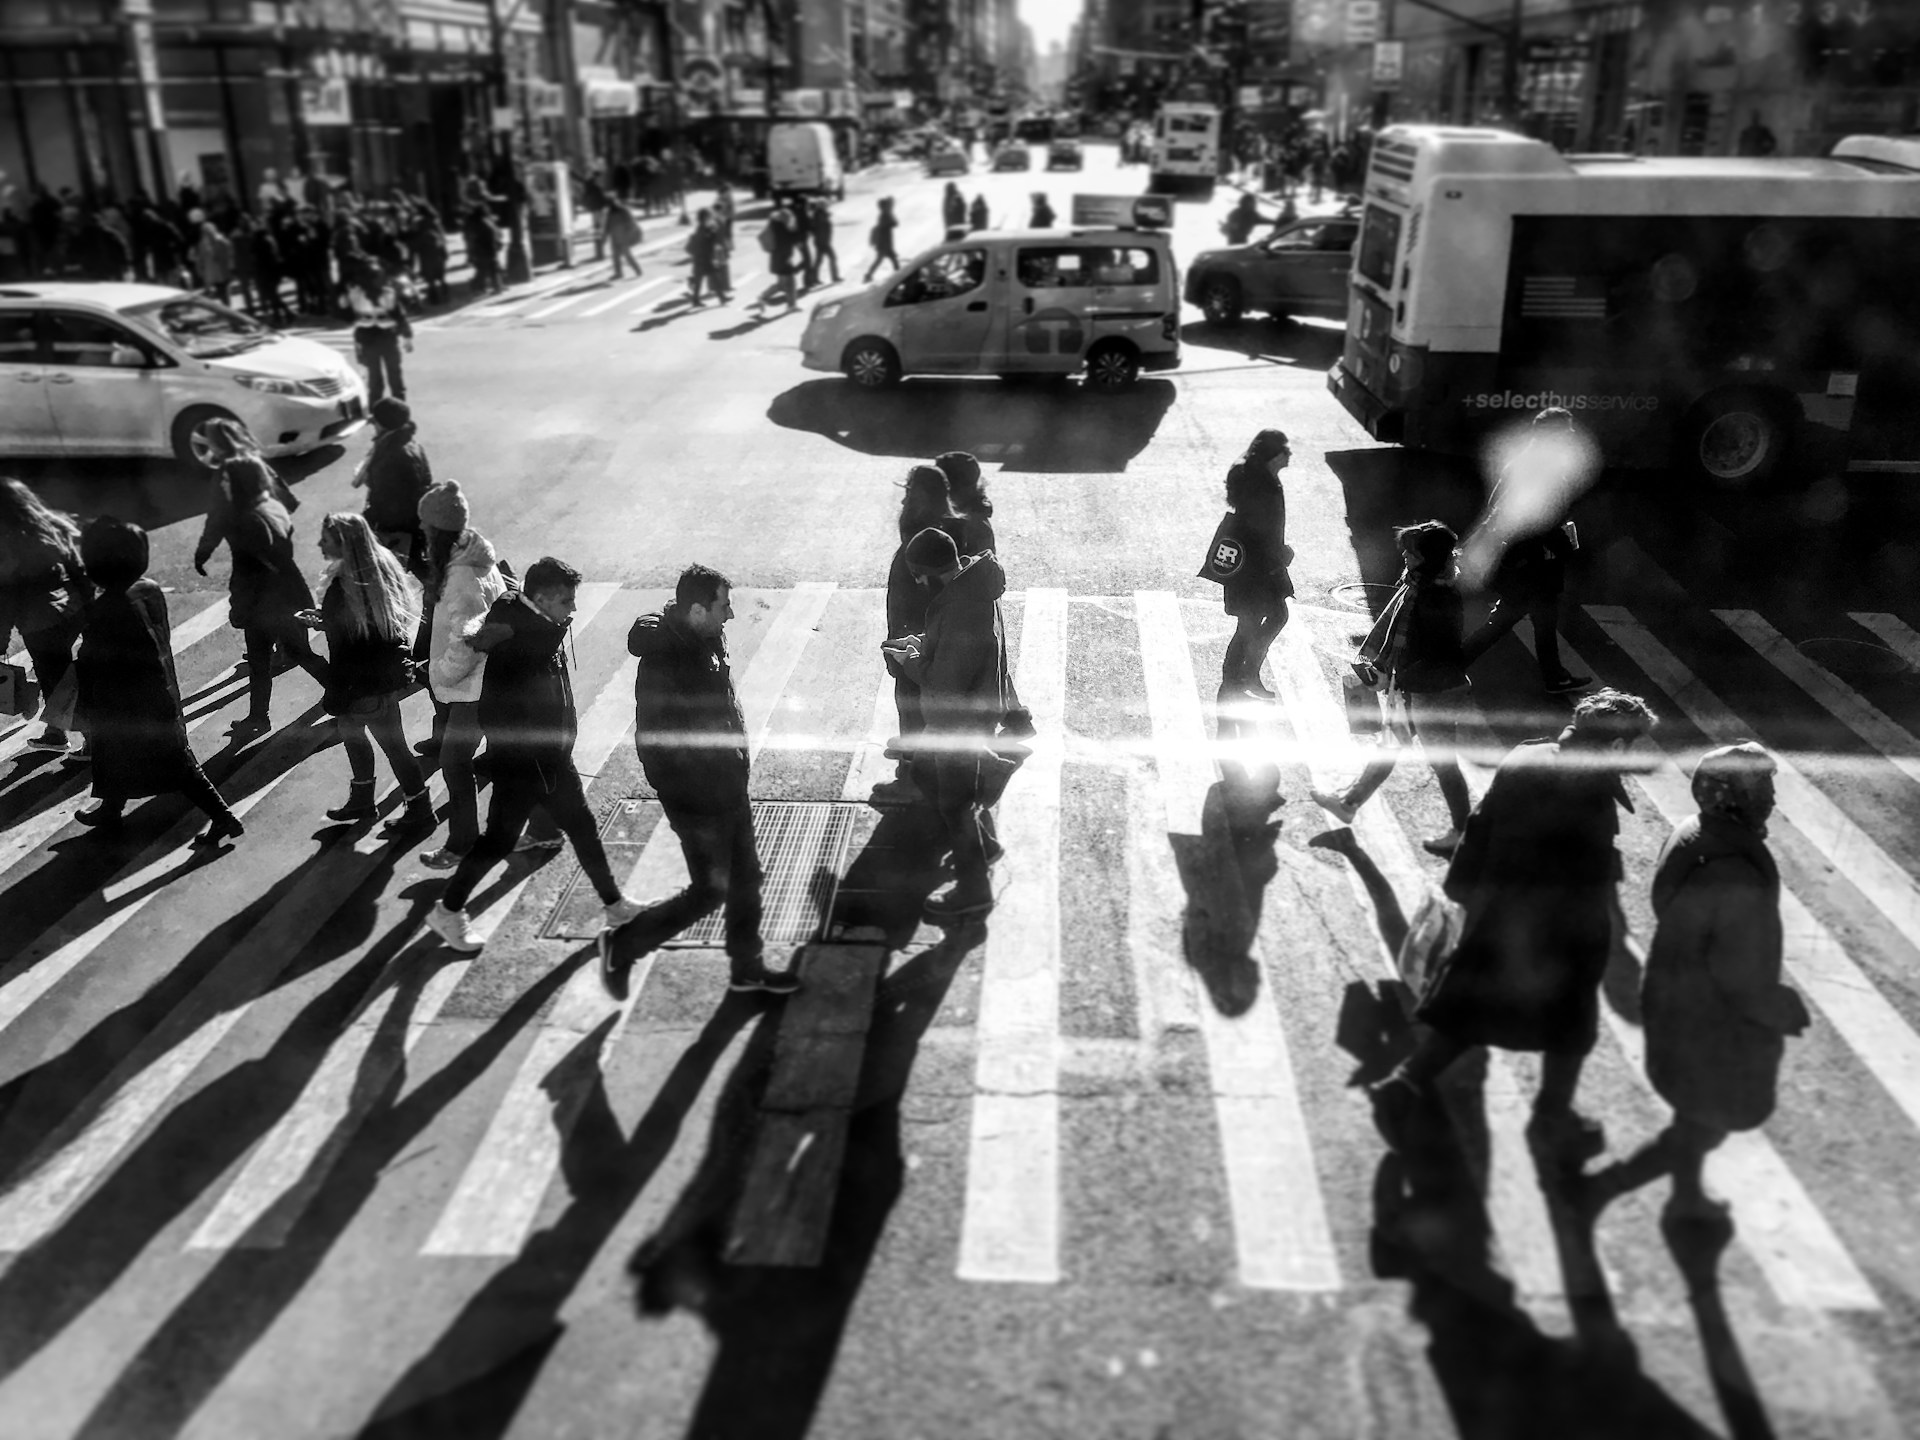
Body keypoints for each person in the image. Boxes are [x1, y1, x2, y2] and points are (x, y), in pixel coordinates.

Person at [1369, 689, 1660, 1159]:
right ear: (1616, 746)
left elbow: (1478, 831)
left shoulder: (1528, 755)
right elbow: (1583, 880)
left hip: (1496, 915)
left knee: (1467, 1012)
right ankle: (1551, 1119)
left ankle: (1404, 1084)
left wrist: (1462, 899)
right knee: (1571, 1027)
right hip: (1552, 937)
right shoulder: (1586, 790)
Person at [1579, 742, 1810, 1228]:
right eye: (1763, 788)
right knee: (1704, 1125)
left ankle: (1684, 1197)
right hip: (1710, 1020)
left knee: (1695, 1116)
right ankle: (1600, 1191)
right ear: (1731, 797)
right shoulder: (1732, 872)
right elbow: (1740, 973)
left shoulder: (1693, 834)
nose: (1771, 798)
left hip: (1677, 995)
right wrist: (1779, 1007)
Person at [426, 557, 646, 953]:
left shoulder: (530, 625)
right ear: (541, 599)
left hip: (550, 759)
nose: (573, 610)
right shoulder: (521, 642)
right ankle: (447, 910)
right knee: (498, 841)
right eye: (565, 602)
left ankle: (614, 905)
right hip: (527, 765)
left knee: (581, 829)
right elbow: (502, 704)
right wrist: (528, 758)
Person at [611, 564, 797, 1000]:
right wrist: (689, 791)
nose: (730, 614)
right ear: (697, 609)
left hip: (726, 781)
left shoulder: (704, 637)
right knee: (711, 891)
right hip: (695, 795)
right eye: (724, 605)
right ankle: (623, 944)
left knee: (747, 877)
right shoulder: (665, 660)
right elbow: (655, 741)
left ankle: (747, 967)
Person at [72, 517, 245, 846]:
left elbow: (96, 659)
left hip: (128, 703)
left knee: (175, 766)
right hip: (156, 692)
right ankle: (110, 808)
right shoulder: (147, 589)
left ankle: (224, 817)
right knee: (114, 756)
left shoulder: (107, 607)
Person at [1310, 521, 1473, 854]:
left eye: (1410, 551)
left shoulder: (1436, 597)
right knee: (1389, 747)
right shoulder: (1416, 587)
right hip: (1413, 688)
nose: (1404, 555)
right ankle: (1350, 803)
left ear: (1425, 558)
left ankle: (1464, 831)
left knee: (1443, 764)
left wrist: (1395, 678)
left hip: (1433, 694)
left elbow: (1441, 656)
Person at [883, 528, 1012, 921]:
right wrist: (924, 644)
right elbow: (959, 654)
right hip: (974, 715)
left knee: (955, 805)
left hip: (958, 723)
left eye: (920, 575)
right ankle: (986, 847)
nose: (919, 583)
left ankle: (973, 892)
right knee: (951, 792)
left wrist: (911, 663)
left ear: (930, 570)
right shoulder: (971, 589)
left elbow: (945, 683)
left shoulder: (959, 608)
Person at [192, 434, 331, 742]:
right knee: (286, 655)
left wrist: (239, 607)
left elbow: (249, 570)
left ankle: (336, 696)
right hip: (285, 594)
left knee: (277, 657)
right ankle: (262, 716)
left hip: (263, 602)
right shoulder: (271, 508)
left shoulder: (240, 518)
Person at [300, 513, 428, 829]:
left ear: (344, 545)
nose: (319, 544)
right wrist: (324, 618)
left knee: (392, 747)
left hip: (360, 682)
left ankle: (420, 810)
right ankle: (363, 801)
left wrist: (324, 622)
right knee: (356, 735)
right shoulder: (377, 570)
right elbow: (363, 627)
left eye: (326, 540)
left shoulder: (345, 586)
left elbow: (350, 641)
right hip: (378, 675)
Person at [1460, 407, 1591, 695]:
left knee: (1540, 620)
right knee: (1508, 619)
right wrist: (1559, 539)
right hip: (1534, 560)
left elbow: (1496, 507)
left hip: (1527, 558)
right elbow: (1535, 517)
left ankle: (1555, 676)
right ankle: (1451, 665)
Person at [415, 480, 508, 869]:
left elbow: (467, 642)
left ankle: (462, 842)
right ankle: (530, 831)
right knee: (465, 762)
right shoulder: (473, 558)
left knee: (455, 763)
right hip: (481, 683)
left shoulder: (461, 578)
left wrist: (438, 673)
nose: (421, 532)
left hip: (474, 687)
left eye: (426, 526)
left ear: (438, 530)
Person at [0, 477, 87, 754]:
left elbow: (6, 596)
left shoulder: (8, 541)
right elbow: (78, 568)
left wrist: (0, 640)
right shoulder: (52, 524)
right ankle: (55, 731)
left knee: (56, 681)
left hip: (40, 621)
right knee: (61, 674)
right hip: (71, 610)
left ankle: (91, 744)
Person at [1216, 428, 1295, 698]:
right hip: (1257, 567)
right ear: (1274, 454)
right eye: (1285, 449)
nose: (1290, 454)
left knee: (1256, 620)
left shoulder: (1261, 478)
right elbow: (1260, 529)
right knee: (1266, 618)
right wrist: (1279, 555)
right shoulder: (1261, 485)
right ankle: (1241, 675)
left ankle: (1241, 674)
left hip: (1256, 564)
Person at [352, 397, 433, 576]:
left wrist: (370, 521)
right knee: (417, 567)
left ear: (382, 423)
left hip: (397, 527)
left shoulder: (393, 453)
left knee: (390, 571)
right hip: (411, 522)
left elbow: (388, 497)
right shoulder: (408, 444)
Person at [346, 258, 413, 406]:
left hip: (385, 336)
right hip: (368, 338)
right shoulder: (356, 293)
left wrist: (407, 337)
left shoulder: (387, 293)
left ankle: (398, 407)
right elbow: (346, 313)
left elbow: (400, 316)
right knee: (376, 378)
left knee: (393, 376)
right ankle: (375, 408)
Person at [757, 204, 799, 313]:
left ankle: (763, 297)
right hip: (783, 259)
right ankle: (791, 306)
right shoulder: (783, 229)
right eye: (789, 218)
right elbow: (790, 241)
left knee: (782, 284)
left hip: (777, 259)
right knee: (790, 282)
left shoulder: (774, 226)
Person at [685, 207, 730, 306]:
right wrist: (714, 231)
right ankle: (721, 298)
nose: (710, 218)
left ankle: (698, 299)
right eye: (709, 216)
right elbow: (708, 240)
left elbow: (712, 239)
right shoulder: (703, 229)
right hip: (702, 259)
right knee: (709, 278)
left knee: (703, 280)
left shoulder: (704, 228)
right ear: (704, 217)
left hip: (702, 258)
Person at [604, 192, 642, 280]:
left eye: (611, 202)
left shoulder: (623, 210)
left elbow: (631, 223)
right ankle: (618, 273)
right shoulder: (610, 212)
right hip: (614, 237)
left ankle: (637, 270)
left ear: (615, 201)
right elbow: (607, 225)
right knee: (615, 256)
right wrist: (605, 236)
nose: (610, 204)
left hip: (623, 237)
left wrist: (629, 234)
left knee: (627, 255)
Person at [864, 196, 901, 282]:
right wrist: (891, 212)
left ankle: (899, 275)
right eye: (888, 205)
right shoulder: (885, 215)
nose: (890, 206)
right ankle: (868, 275)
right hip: (884, 244)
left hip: (885, 243)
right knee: (881, 260)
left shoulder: (884, 214)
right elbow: (895, 223)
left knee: (892, 260)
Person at [807, 196, 840, 284]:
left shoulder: (819, 214)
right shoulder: (820, 215)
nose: (827, 206)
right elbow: (821, 228)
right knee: (832, 258)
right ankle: (834, 277)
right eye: (825, 204)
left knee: (819, 260)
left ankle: (813, 279)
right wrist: (824, 242)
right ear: (822, 205)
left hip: (821, 240)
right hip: (823, 241)